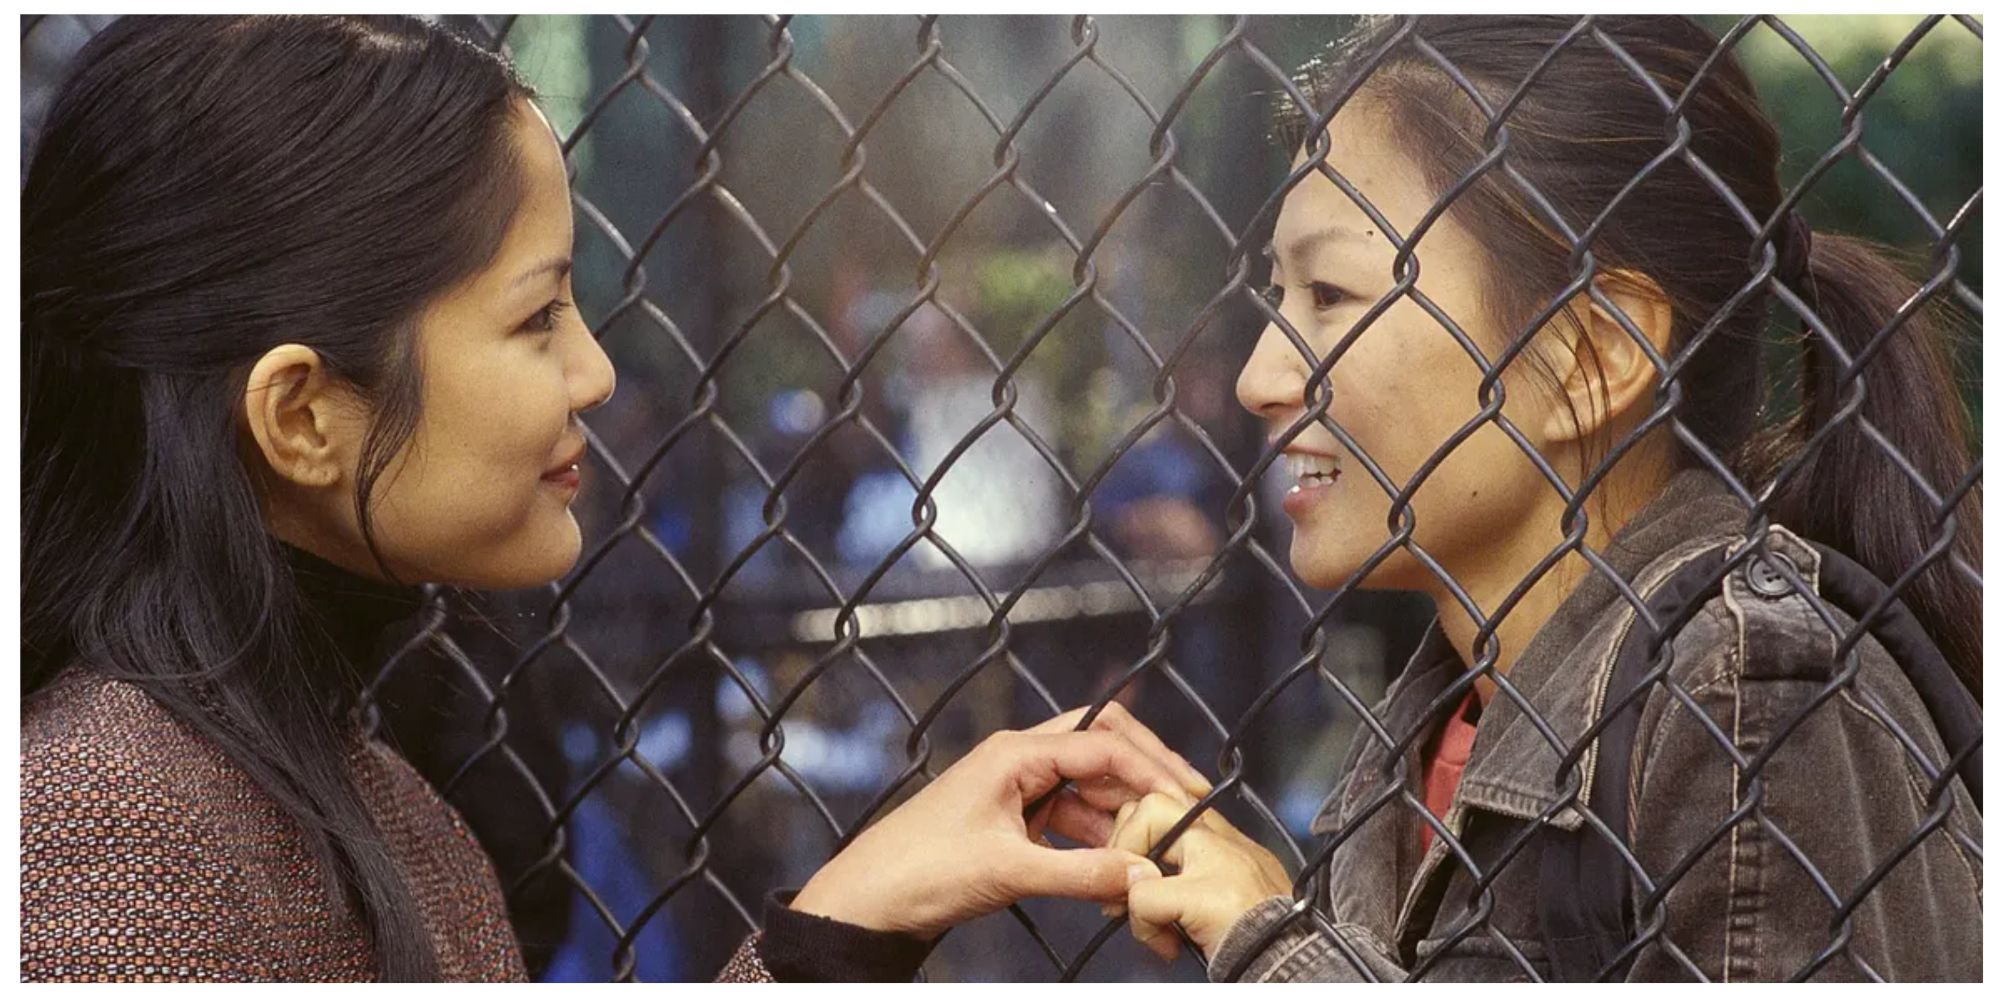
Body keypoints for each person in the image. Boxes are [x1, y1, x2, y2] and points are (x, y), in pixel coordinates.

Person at [19, 15, 1204, 983]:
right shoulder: (114, 835)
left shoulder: (318, 777)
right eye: (537, 317)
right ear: (301, 415)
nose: (592, 372)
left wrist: (852, 912)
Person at [1096, 15, 1982, 981]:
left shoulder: (1740, 695)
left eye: (1333, 295)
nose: (1262, 377)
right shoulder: (1432, 725)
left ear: (1594, 356)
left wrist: (1271, 944)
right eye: (1278, 296)